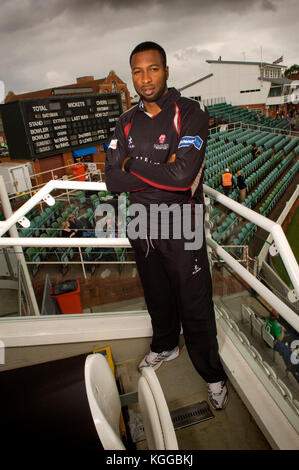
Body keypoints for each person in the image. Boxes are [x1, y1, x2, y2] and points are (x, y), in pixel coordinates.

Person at [105, 41, 228, 410]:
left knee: (195, 304)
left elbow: (180, 177)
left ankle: (212, 374)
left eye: (153, 69)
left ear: (166, 70)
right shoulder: (125, 120)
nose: (145, 78)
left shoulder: (190, 113)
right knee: (156, 295)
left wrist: (131, 166)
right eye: (138, 71)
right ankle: (165, 346)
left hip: (181, 222)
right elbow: (112, 179)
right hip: (141, 221)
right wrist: (149, 170)